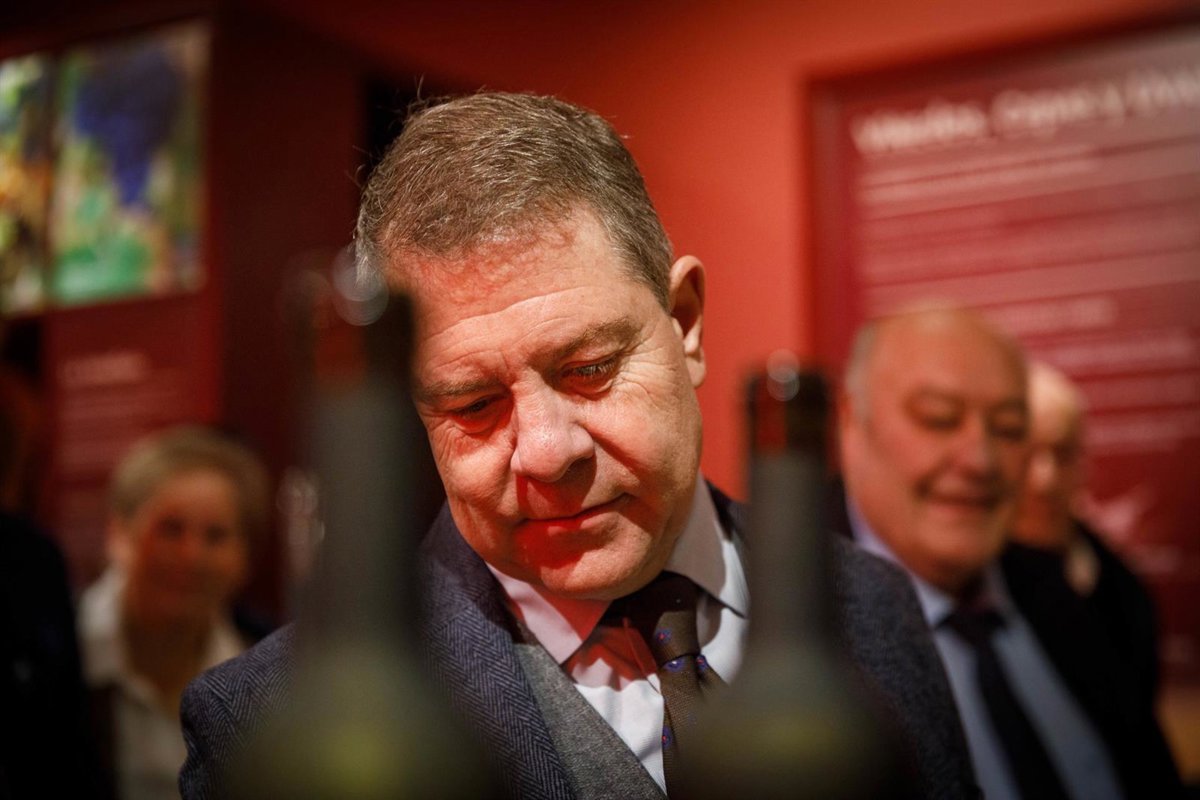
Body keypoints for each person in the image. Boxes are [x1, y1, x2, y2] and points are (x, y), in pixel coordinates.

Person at [180, 92, 976, 800]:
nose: (546, 452)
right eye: (474, 404)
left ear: (686, 323)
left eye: (590, 369)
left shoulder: (874, 605)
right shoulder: (258, 732)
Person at [834, 305, 1182, 800]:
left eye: (1010, 427)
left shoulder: (1070, 595)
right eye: (939, 419)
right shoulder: (785, 623)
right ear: (853, 424)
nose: (981, 460)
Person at [79, 425, 270, 800]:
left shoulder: (270, 672)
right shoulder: (54, 651)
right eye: (170, 529)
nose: (191, 557)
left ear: (246, 558)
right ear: (120, 534)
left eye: (215, 536)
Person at [1011, 360, 1162, 706]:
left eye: (1062, 453)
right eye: (1027, 454)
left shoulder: (1120, 585)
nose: (1044, 480)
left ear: (1083, 460)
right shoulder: (974, 590)